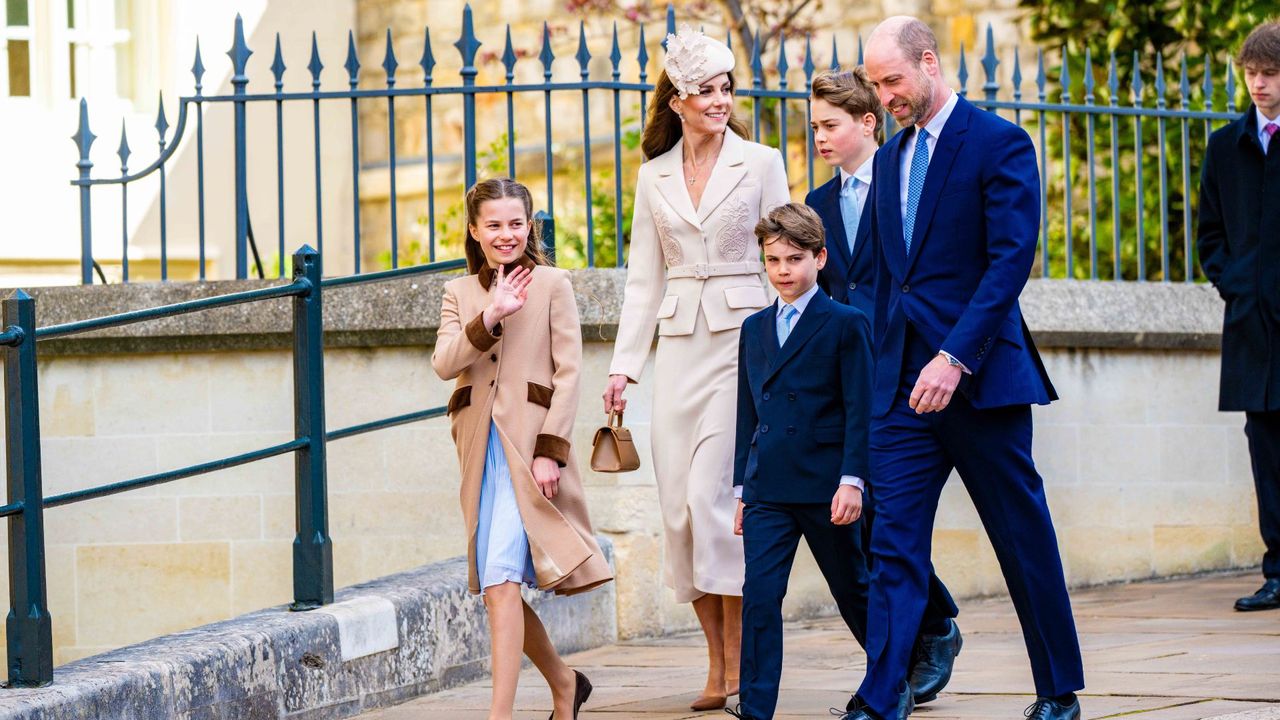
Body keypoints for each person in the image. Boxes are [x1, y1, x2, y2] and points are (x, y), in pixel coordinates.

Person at [841, 17, 1085, 720]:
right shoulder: (890, 159)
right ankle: (881, 697)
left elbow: (1009, 263)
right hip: (901, 390)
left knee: (1021, 537)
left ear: (929, 63)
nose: (885, 96)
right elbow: (888, 283)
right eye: (876, 85)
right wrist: (881, 375)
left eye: (893, 80)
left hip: (980, 382)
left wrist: (955, 357)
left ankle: (1058, 691)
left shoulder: (999, 142)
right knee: (892, 545)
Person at [601, 24, 790, 712]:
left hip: (744, 344)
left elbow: (787, 254)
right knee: (679, 511)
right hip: (679, 348)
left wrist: (794, 348)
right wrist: (623, 368)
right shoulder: (652, 174)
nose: (720, 100)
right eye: (706, 90)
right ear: (677, 100)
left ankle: (739, 663)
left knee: (715, 505)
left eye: (726, 88)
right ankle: (716, 662)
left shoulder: (762, 161)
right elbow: (643, 280)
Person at [805, 68, 962, 706]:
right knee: (857, 520)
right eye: (813, 127)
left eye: (830, 125)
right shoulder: (816, 203)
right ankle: (929, 627)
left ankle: (928, 634)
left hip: (900, 368)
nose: (819, 137)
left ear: (868, 122)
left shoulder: (905, 185)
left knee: (888, 516)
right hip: (842, 374)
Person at [433, 177, 613, 720]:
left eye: (516, 223)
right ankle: (565, 683)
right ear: (474, 230)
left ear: (529, 226)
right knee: (497, 587)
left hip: (528, 447)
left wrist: (550, 451)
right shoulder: (459, 293)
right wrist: (490, 314)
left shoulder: (554, 284)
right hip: (479, 450)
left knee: (502, 580)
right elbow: (444, 363)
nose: (506, 234)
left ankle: (500, 716)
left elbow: (570, 372)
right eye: (493, 225)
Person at [725, 203, 873, 720]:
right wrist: (743, 489)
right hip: (768, 486)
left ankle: (891, 680)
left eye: (794, 259)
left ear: (820, 258)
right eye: (773, 260)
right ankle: (755, 706)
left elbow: (861, 408)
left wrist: (853, 480)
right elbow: (748, 411)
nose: (783, 270)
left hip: (826, 485)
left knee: (853, 589)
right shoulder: (754, 328)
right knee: (760, 594)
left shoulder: (846, 323)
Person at [1196, 20, 1280, 614]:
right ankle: (1277, 572)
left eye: (1269, 73)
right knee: (1266, 454)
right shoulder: (1225, 146)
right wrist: (1236, 285)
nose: (1258, 84)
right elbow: (1210, 234)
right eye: (1251, 73)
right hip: (1252, 327)